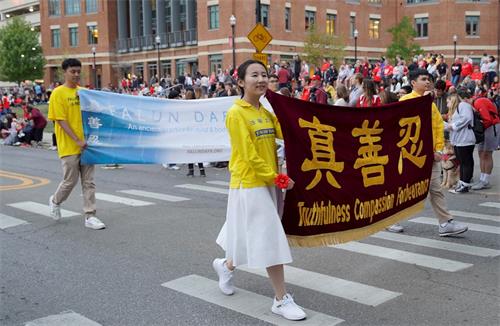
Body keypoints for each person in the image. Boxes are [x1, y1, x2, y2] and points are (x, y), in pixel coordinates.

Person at [213, 59, 306, 321]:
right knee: (270, 239)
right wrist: (278, 178)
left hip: (269, 183)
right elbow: (249, 155)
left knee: (246, 234)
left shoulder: (265, 112)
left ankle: (226, 265)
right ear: (241, 81)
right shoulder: (236, 113)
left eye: (265, 75)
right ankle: (280, 299)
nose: (261, 79)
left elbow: (287, 133)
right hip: (249, 184)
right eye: (254, 75)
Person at [387, 69, 467, 236]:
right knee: (404, 187)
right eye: (423, 79)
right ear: (413, 83)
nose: (428, 81)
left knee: (435, 189)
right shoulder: (406, 101)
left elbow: (438, 126)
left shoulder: (429, 104)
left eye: (429, 79)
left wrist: (438, 149)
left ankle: (445, 223)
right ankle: (390, 219)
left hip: (430, 155)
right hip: (411, 155)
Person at [47, 58, 105, 229]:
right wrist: (77, 140)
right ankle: (55, 200)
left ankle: (90, 216)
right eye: (73, 71)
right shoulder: (58, 93)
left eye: (78, 71)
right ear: (64, 72)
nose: (76, 74)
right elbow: (61, 120)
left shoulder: (84, 92)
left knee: (89, 182)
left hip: (87, 145)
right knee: (70, 181)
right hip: (70, 146)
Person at [444, 87, 476, 193]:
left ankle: (464, 184)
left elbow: (466, 119)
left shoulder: (463, 105)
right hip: (460, 139)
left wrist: (452, 126)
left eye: (448, 102)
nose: (447, 104)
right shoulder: (459, 107)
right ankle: (463, 183)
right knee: (463, 162)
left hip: (465, 139)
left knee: (465, 162)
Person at [471, 97, 500, 190]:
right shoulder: (475, 102)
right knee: (481, 153)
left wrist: (477, 130)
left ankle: (485, 180)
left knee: (486, 153)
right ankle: (482, 178)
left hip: (492, 127)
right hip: (486, 128)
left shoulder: (478, 102)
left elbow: (487, 120)